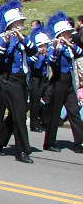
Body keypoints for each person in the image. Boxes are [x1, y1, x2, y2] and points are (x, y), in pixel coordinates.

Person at [0, 0, 36, 163]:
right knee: (19, 116)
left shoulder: (24, 38)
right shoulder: (2, 39)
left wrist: (22, 38)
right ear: (12, 23)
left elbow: (33, 51)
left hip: (22, 79)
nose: (22, 24)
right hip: (8, 80)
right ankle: (23, 150)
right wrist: (8, 40)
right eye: (19, 22)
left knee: (18, 113)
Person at [43, 11, 83, 153]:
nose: (70, 35)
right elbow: (50, 61)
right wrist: (58, 47)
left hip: (69, 83)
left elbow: (79, 52)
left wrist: (68, 44)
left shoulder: (70, 46)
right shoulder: (54, 47)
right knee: (55, 114)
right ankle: (49, 142)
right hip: (58, 82)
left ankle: (79, 142)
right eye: (67, 33)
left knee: (74, 112)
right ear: (61, 33)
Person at [27, 26, 50, 133]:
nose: (45, 47)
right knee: (34, 103)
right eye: (43, 45)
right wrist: (39, 54)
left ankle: (45, 121)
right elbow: (34, 65)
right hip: (36, 79)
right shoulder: (35, 53)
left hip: (45, 78)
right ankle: (34, 124)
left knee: (48, 100)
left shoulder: (47, 54)